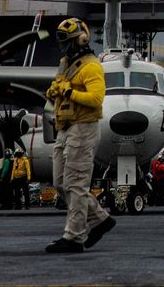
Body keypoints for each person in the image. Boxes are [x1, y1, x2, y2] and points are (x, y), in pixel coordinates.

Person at [45, 17, 114, 254]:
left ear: (81, 40)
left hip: (83, 128)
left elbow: (96, 99)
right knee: (61, 182)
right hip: (65, 128)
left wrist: (68, 91)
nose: (64, 47)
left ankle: (73, 237)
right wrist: (53, 92)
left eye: (68, 41)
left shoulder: (92, 66)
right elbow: (59, 89)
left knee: (76, 183)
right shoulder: (66, 64)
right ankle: (100, 218)